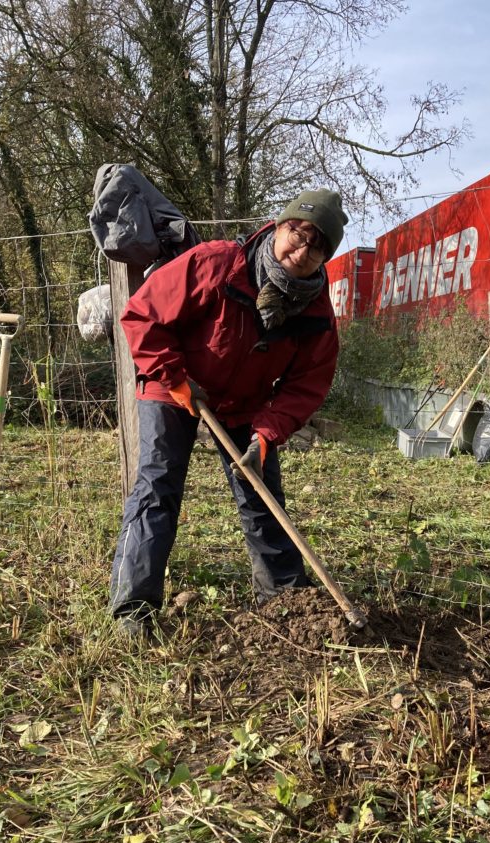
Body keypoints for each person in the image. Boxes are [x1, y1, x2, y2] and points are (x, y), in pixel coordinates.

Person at [109, 188, 348, 639]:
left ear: (325, 257)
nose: (301, 250)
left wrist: (265, 435)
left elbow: (306, 386)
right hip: (173, 381)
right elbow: (143, 314)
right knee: (158, 483)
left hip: (245, 403)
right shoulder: (219, 264)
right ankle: (133, 607)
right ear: (280, 227)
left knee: (261, 494)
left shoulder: (315, 314)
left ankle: (288, 602)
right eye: (297, 233)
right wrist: (175, 377)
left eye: (317, 246)